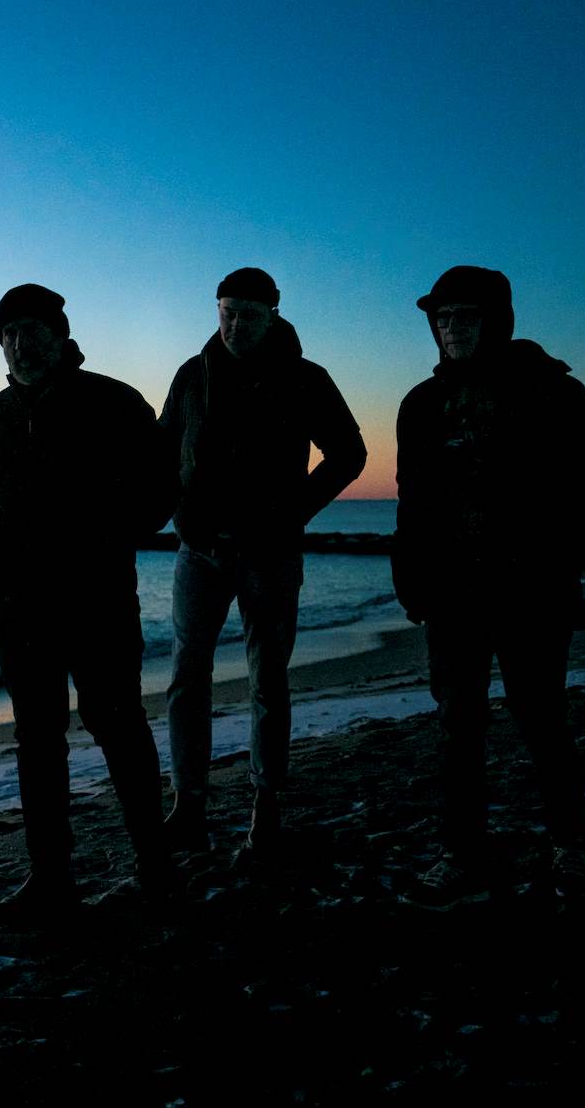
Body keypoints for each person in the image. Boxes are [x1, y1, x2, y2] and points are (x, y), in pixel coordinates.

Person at [0, 284, 178, 924]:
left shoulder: (113, 402)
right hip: (18, 607)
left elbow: (160, 488)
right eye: (9, 334)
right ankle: (50, 877)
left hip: (97, 599)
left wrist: (105, 539)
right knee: (37, 739)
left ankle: (155, 864)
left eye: (33, 330)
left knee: (118, 725)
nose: (21, 344)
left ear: (60, 336)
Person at [392, 265, 585, 903]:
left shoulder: (551, 389)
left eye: (466, 317)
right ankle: (461, 853)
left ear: (495, 320)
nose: (452, 329)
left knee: (542, 720)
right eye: (442, 318)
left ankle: (570, 844)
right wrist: (411, 577)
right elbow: (414, 501)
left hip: (532, 594)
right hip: (453, 597)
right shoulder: (421, 404)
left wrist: (558, 564)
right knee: (457, 727)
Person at [158, 267, 366, 864]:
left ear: (273, 315)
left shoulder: (305, 378)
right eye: (228, 312)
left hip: (269, 555)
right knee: (186, 677)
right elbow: (162, 450)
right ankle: (188, 805)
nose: (236, 324)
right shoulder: (192, 374)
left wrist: (290, 513)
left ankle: (265, 807)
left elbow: (349, 453)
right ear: (216, 310)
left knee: (268, 680)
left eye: (250, 314)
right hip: (200, 552)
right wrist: (177, 513)